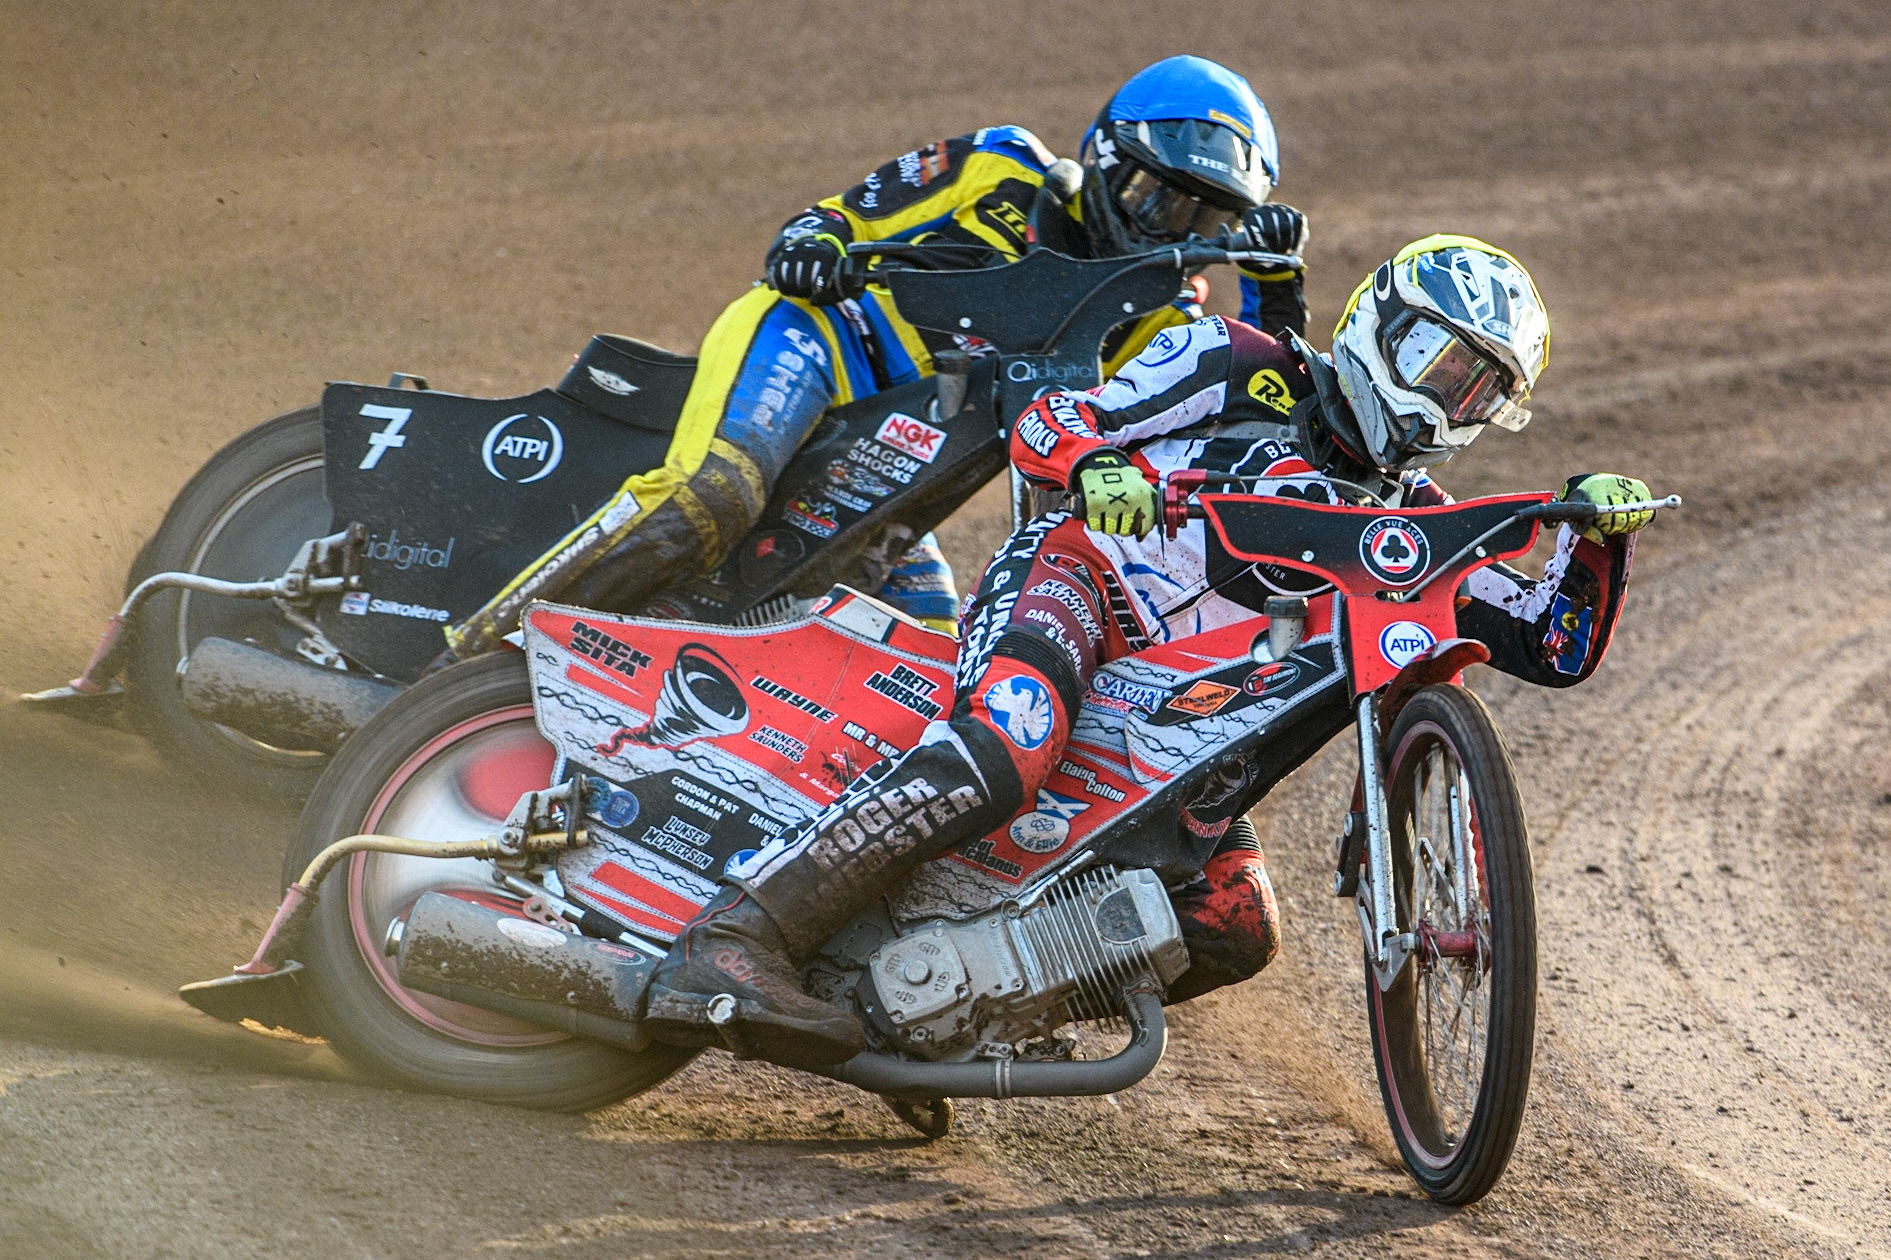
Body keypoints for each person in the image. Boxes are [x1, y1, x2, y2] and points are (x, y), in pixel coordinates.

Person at [640, 234, 1658, 1070]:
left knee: (1236, 922)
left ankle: (943, 1015)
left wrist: (1596, 547)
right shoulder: (1233, 361)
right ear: (1377, 330)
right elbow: (1050, 419)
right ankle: (736, 940)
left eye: (1481, 391)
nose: (1450, 402)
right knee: (1012, 739)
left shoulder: (1414, 527)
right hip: (1085, 581)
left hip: (1186, 713)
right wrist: (1096, 464)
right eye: (1442, 364)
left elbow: (1545, 643)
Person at [444, 55, 1311, 657]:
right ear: (1103, 152)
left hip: (918, 465)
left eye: (1203, 221)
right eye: (1153, 194)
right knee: (713, 493)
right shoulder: (1001, 166)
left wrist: (1276, 289)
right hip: (822, 347)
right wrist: (812, 242)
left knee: (927, 665)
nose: (1167, 227)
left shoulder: (1166, 312)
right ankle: (472, 658)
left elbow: (1261, 416)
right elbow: (837, 217)